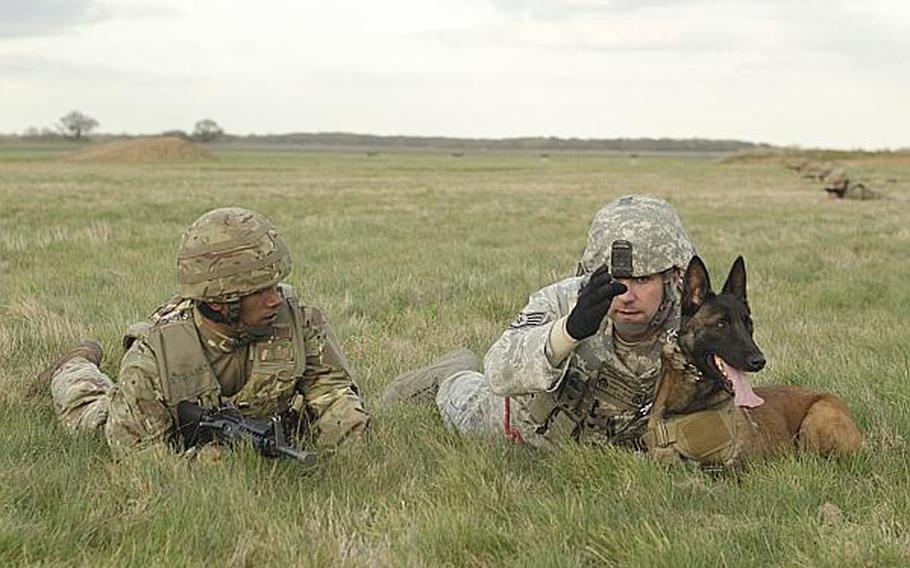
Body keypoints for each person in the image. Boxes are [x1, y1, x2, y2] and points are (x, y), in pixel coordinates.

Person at [40, 207, 369, 459]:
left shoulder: (299, 323)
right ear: (222, 301)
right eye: (260, 291)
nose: (275, 299)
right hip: (160, 422)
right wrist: (204, 464)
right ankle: (74, 365)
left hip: (254, 422)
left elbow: (332, 393)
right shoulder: (155, 356)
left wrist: (349, 447)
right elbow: (138, 459)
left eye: (275, 286)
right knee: (92, 417)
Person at [383, 195, 695, 449]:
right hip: (524, 431)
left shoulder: (696, 323)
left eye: (642, 279)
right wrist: (568, 332)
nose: (626, 295)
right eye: (616, 279)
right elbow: (499, 371)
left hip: (607, 445)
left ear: (673, 277)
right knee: (462, 397)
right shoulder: (565, 301)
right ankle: (450, 373)